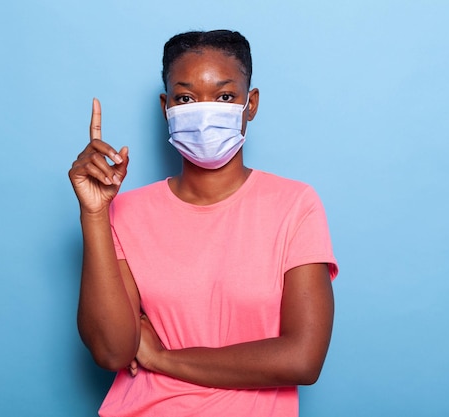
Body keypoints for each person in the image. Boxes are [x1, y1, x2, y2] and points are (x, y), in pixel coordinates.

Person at [69, 29, 338, 417]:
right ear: (166, 107)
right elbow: (112, 351)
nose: (205, 111)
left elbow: (302, 359)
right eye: (186, 98)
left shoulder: (295, 205)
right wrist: (94, 214)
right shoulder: (125, 212)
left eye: (225, 96)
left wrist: (162, 359)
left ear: (251, 103)